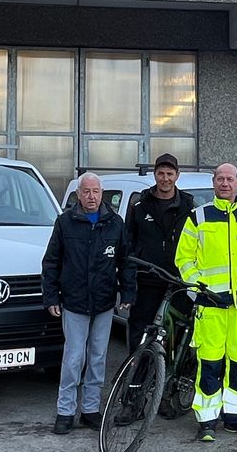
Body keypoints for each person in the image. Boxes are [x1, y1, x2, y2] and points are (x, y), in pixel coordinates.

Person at [175, 163, 237, 441]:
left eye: (230, 179)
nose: (225, 183)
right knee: (210, 364)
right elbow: (184, 259)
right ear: (214, 183)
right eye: (220, 179)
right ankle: (207, 421)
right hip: (211, 306)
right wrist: (198, 289)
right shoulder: (198, 217)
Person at [41, 173, 135, 434]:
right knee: (73, 358)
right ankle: (65, 411)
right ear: (78, 194)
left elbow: (125, 262)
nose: (91, 197)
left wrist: (127, 294)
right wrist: (51, 296)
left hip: (104, 303)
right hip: (73, 302)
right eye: (86, 192)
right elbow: (51, 261)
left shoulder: (115, 223)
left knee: (98, 359)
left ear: (102, 193)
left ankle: (91, 410)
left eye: (95, 192)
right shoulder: (65, 223)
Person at [126, 153, 196, 348]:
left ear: (177, 175)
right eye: (161, 173)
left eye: (170, 174)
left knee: (176, 332)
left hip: (178, 281)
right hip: (147, 279)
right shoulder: (139, 205)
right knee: (140, 331)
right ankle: (137, 376)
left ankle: (167, 376)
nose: (165, 178)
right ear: (155, 175)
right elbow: (128, 243)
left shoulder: (189, 206)